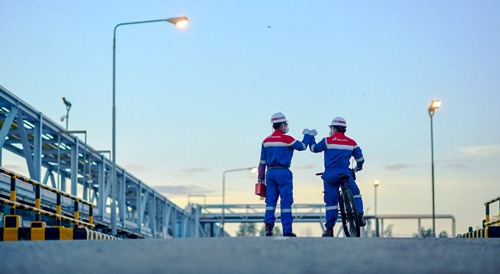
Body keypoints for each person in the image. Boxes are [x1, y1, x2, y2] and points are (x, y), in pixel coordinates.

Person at [309, 117, 366, 237]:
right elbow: (360, 159)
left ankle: (329, 229)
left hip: (330, 175)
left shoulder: (327, 141)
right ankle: (359, 215)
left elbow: (313, 149)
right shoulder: (352, 142)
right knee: (355, 192)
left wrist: (311, 137)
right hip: (345, 173)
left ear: (334, 128)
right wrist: (358, 167)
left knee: (331, 202)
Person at [257, 112, 311, 237]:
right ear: (281, 125)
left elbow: (261, 162)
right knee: (286, 202)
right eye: (285, 124)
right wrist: (307, 135)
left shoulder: (266, 141)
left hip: (270, 173)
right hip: (283, 172)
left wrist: (261, 179)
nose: (286, 126)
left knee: (270, 202)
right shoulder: (287, 139)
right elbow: (302, 146)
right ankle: (287, 230)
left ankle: (268, 227)